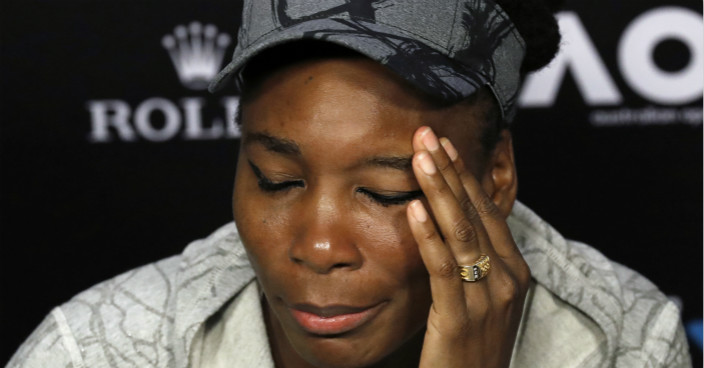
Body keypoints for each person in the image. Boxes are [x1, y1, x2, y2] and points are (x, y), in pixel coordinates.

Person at [7, 0, 692, 367]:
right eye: (276, 180)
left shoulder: (623, 345)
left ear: (498, 176)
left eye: (386, 192)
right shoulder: (103, 351)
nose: (319, 244)